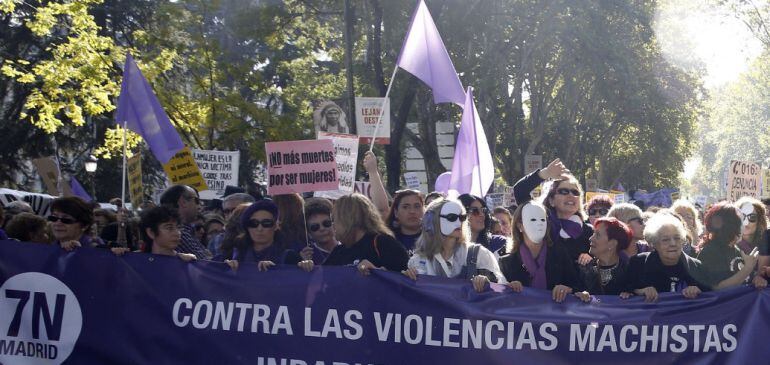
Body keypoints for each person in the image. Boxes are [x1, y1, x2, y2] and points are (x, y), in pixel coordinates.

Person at [403, 199, 505, 292]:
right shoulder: (418, 261)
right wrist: (406, 280)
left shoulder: (479, 254)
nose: (459, 222)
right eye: (451, 217)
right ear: (433, 222)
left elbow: (503, 290)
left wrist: (489, 282)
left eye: (462, 217)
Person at [498, 202, 587, 303]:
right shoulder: (506, 263)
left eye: (542, 220)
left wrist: (567, 289)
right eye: (533, 219)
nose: (539, 223)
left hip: (554, 316)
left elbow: (578, 287)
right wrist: (507, 288)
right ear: (520, 226)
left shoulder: (559, 254)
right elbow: (497, 299)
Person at [513, 158, 593, 266]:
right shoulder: (540, 223)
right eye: (564, 191)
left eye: (575, 192)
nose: (570, 195)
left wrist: (590, 257)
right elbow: (519, 190)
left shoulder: (589, 232)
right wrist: (545, 173)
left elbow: (602, 258)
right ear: (551, 200)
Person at [624, 213, 709, 302]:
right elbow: (624, 293)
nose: (673, 243)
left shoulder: (697, 267)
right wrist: (640, 291)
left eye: (677, 238)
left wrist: (699, 291)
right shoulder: (637, 263)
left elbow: (710, 297)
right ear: (654, 243)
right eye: (665, 240)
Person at [323, 193, 409, 272]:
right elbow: (322, 278)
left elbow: (405, 278)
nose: (333, 225)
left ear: (348, 219)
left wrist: (377, 271)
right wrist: (310, 267)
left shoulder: (384, 243)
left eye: (335, 219)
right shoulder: (339, 251)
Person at [694, 202, 765, 290]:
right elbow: (718, 288)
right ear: (730, 225)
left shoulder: (735, 248)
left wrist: (755, 279)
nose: (744, 225)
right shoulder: (711, 252)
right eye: (741, 222)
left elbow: (742, 278)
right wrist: (748, 268)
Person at [225, 199, 307, 271]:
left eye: (266, 223)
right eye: (253, 223)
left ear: (276, 226)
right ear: (247, 227)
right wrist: (229, 271)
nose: (260, 229)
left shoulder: (289, 257)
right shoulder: (236, 255)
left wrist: (306, 267)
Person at [579, 217, 631, 295]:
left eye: (597, 235)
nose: (590, 238)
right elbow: (575, 290)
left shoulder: (629, 272)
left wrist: (632, 295)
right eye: (593, 233)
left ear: (612, 244)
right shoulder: (584, 269)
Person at [159, 185, 212, 260]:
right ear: (183, 202)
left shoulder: (188, 231)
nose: (199, 206)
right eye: (196, 201)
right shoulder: (180, 233)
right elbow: (205, 264)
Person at [301, 198, 340, 264]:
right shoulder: (308, 256)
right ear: (309, 233)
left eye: (326, 223)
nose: (322, 229)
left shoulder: (348, 245)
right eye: (315, 227)